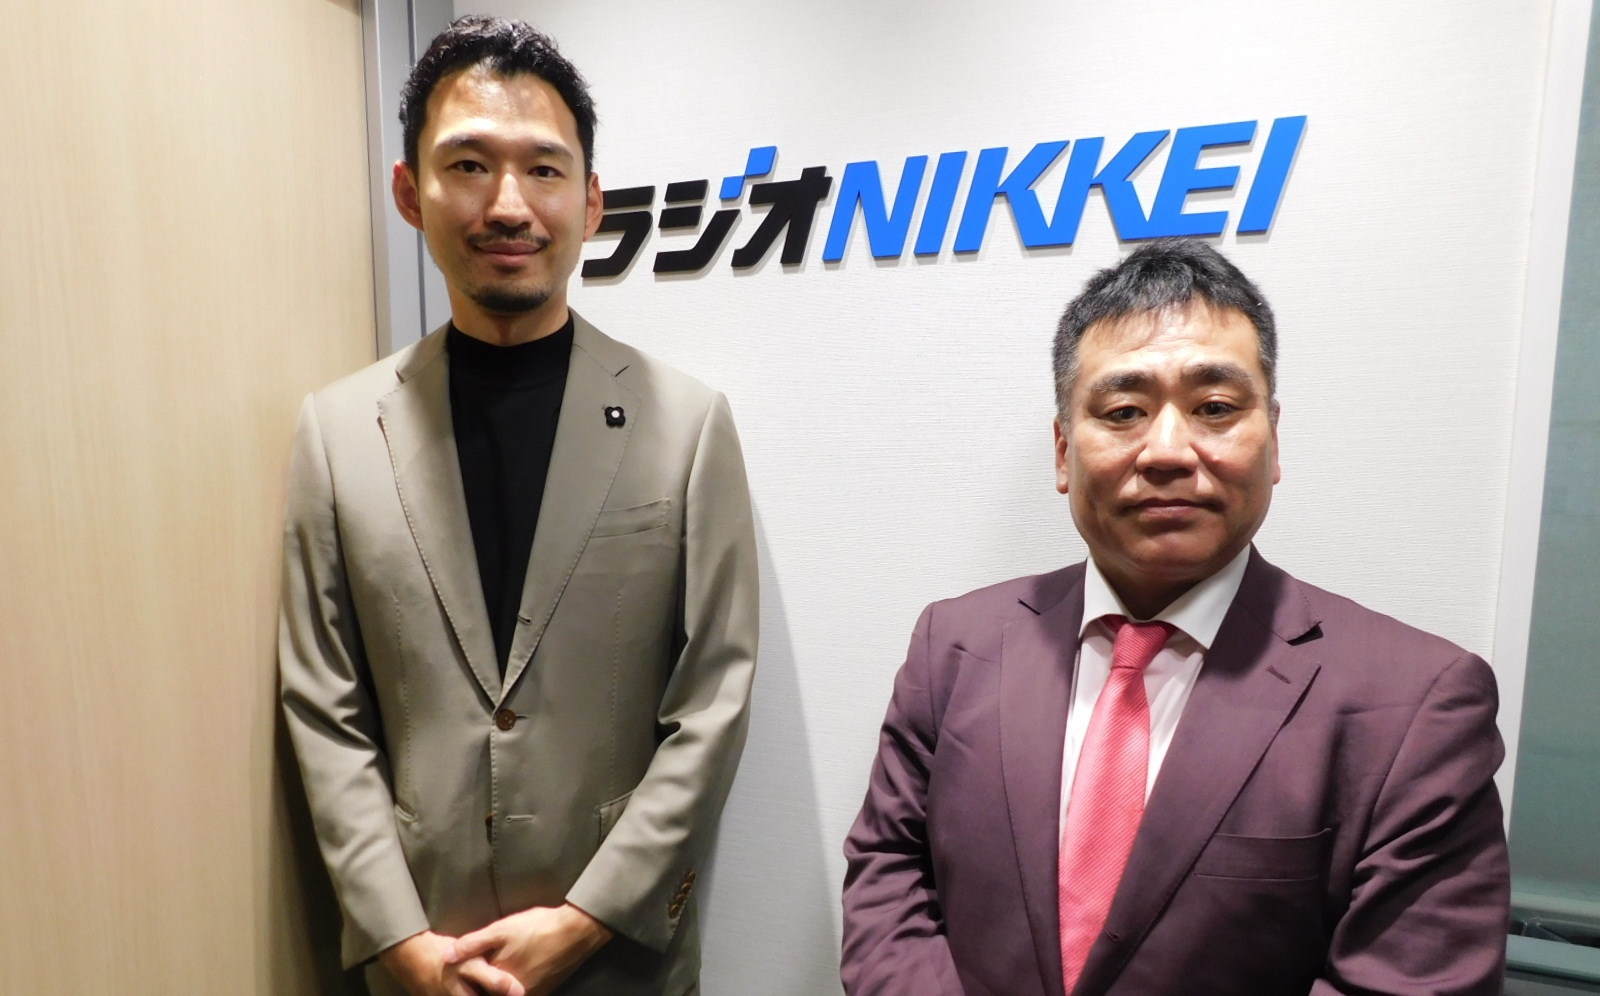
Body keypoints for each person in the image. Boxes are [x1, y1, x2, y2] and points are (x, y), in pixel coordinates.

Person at [840, 238, 1510, 996]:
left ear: (1273, 441)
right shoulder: (955, 645)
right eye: (1123, 411)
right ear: (1062, 451)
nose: (1166, 451)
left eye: (1214, 408)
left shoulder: (1418, 703)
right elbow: (890, 875)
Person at [278, 16, 757, 996]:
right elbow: (325, 711)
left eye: (543, 169)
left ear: (590, 201)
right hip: (422, 956)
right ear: (410, 193)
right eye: (469, 165)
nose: (508, 204)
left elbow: (713, 700)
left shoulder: (687, 424)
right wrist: (399, 939)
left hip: (622, 961)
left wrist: (586, 920)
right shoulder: (335, 433)